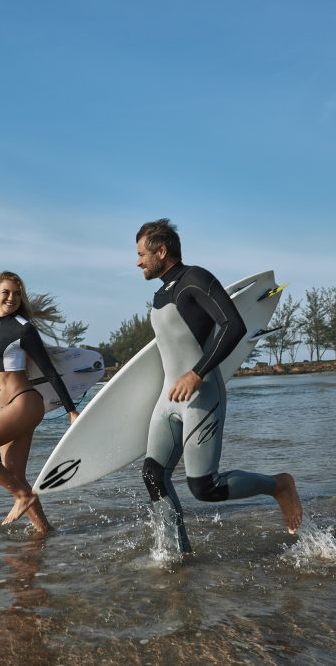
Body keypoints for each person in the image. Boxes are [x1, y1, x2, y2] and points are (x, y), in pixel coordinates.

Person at [134, 219, 302, 553]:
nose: (138, 261)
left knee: (204, 487)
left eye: (141, 254)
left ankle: (279, 486)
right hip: (169, 399)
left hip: (202, 392)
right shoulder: (159, 295)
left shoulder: (194, 279)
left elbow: (232, 325)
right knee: (153, 475)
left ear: (161, 251)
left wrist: (196, 373)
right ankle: (175, 556)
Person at [0, 271, 80, 535]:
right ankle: (45, 532)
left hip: (24, 403)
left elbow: (48, 370)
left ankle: (23, 496)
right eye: (6, 292)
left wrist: (71, 410)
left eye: (16, 293)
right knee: (14, 472)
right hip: (11, 408)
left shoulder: (24, 328)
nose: (12, 298)